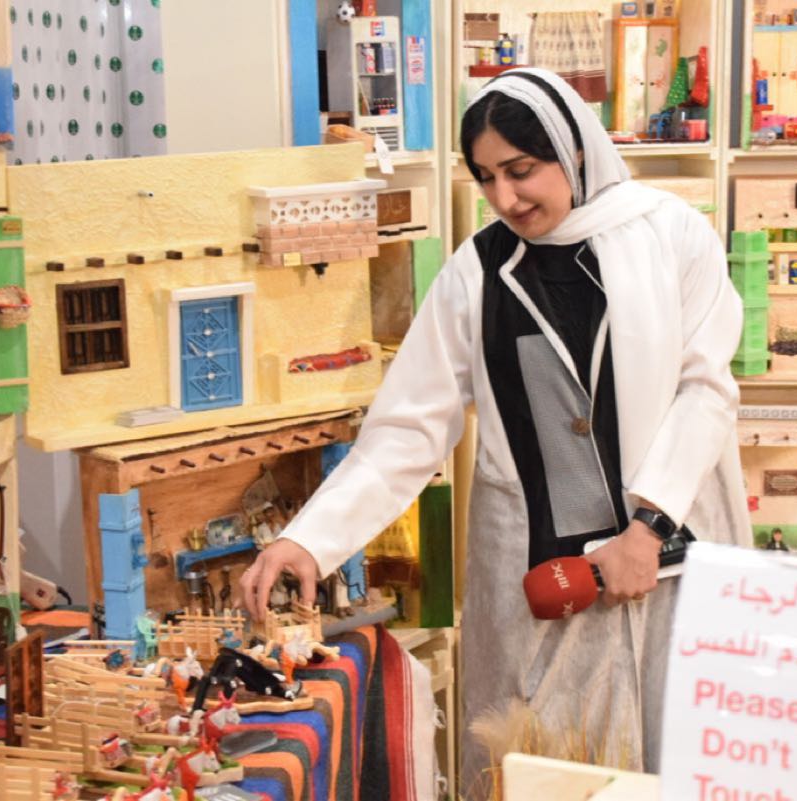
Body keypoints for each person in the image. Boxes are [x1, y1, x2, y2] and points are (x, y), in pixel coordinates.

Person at [239, 67, 750, 785]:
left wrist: (648, 530)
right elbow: (407, 429)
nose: (505, 198)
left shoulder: (671, 235)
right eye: (486, 178)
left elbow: (706, 390)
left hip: (674, 559)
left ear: (573, 151)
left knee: (688, 761)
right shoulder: (475, 273)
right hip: (545, 583)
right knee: (544, 769)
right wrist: (309, 539)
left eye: (521, 170)